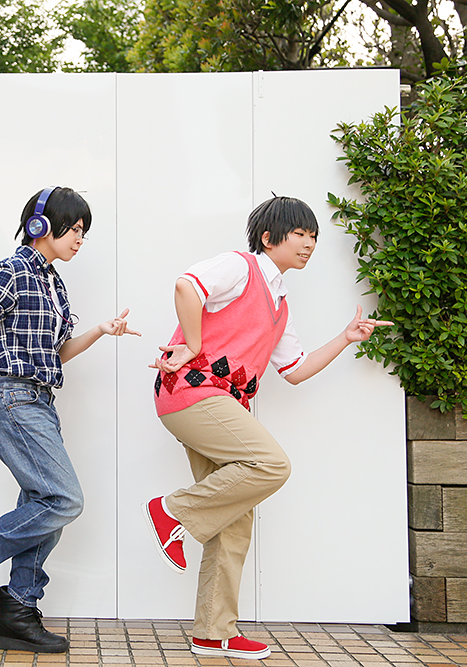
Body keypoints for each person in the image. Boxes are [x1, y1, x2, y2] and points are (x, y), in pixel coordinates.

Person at [144, 196, 392, 660]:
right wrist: (192, 344)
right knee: (271, 464)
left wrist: (345, 338)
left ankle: (213, 632)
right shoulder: (240, 267)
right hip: (192, 392)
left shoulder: (279, 303)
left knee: (235, 516)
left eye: (314, 236)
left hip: (221, 403)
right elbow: (186, 285)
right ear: (268, 237)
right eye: (300, 234)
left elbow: (295, 370)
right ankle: (171, 511)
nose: (309, 244)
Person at [0, 186, 140, 653]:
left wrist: (99, 331)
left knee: (45, 505)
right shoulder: (13, 271)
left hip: (41, 401)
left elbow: (55, 354)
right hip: (13, 398)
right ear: (41, 225)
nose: (80, 239)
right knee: (65, 499)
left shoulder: (54, 284)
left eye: (84, 231)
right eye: (74, 229)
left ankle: (18, 612)